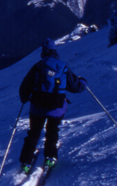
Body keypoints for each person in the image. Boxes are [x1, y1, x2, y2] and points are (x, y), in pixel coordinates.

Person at [18, 38, 86, 173]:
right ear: (55, 51)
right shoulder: (63, 67)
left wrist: (24, 98)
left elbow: (25, 86)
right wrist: (83, 82)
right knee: (52, 132)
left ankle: (26, 161)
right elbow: (75, 87)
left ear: (43, 52)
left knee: (33, 133)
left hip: (37, 107)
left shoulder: (38, 66)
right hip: (57, 107)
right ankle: (50, 157)